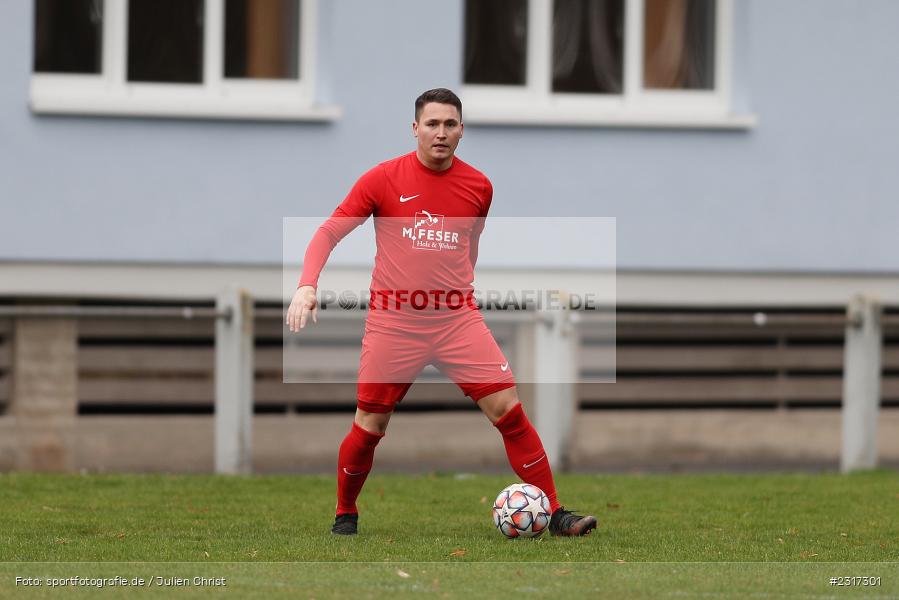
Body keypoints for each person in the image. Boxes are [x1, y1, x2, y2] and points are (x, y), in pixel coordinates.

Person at [286, 88, 596, 537]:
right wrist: (307, 285)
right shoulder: (382, 179)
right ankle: (345, 511)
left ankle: (556, 513)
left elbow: (468, 249)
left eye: (450, 124)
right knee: (370, 424)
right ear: (415, 128)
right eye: (432, 124)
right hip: (395, 322)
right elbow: (329, 232)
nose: (441, 133)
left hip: (456, 319)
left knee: (508, 409)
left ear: (462, 130)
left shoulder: (479, 186)